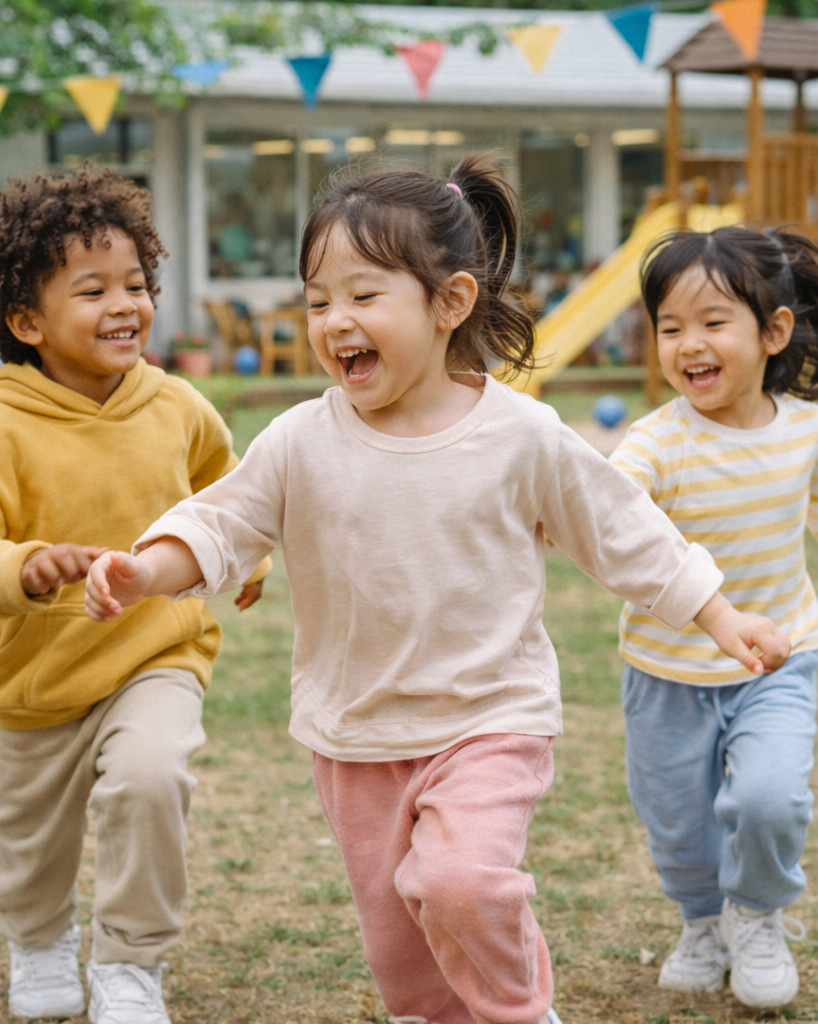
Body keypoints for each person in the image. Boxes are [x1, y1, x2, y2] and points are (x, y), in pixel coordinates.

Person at [84, 157, 789, 1024]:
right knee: (400, 947)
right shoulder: (299, 440)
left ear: (450, 302)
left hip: (489, 717)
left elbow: (624, 532)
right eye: (317, 301)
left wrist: (717, 613)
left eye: (363, 296)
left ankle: (522, 1010)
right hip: (357, 732)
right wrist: (146, 568)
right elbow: (221, 524)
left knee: (462, 886)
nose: (335, 320)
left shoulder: (520, 435)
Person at [0, 165, 270, 1024]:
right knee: (32, 843)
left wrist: (243, 558)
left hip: (155, 652)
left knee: (151, 779)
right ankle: (38, 943)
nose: (126, 304)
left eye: (136, 284)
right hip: (33, 681)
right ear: (27, 321)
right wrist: (19, 568)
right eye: (94, 289)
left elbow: (232, 493)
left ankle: (129, 965)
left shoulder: (178, 406)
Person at [610, 226, 818, 1010]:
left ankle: (758, 915)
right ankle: (702, 920)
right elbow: (608, 511)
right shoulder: (655, 445)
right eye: (670, 327)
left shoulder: (805, 428)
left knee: (770, 798)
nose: (688, 344)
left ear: (774, 332)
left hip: (780, 660)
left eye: (712, 322)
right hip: (665, 675)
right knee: (679, 824)